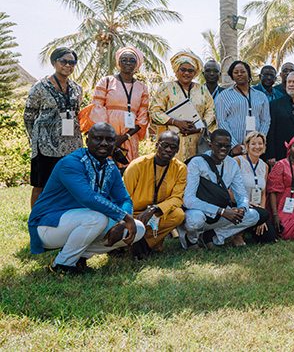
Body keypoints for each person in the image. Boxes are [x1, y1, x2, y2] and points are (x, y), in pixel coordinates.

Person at [28, 123, 144, 274]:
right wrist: (124, 217)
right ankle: (62, 265)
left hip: (83, 221)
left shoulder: (110, 166)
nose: (104, 143)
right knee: (97, 218)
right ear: (87, 141)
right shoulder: (71, 163)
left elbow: (124, 199)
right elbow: (87, 197)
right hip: (48, 225)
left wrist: (122, 222)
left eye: (109, 139)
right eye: (98, 138)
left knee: (138, 228)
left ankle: (80, 257)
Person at [24, 47, 84, 207]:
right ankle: (36, 218)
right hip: (45, 145)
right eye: (63, 61)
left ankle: (63, 215)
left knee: (70, 183)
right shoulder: (40, 86)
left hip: (71, 145)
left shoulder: (77, 89)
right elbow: (29, 116)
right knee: (40, 185)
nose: (68, 65)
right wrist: (34, 140)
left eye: (72, 62)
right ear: (54, 62)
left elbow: (76, 113)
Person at [180, 129, 259, 249]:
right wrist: (221, 211)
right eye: (219, 145)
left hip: (220, 210)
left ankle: (211, 235)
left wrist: (242, 208)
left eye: (227, 146)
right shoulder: (197, 162)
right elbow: (188, 200)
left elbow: (241, 194)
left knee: (253, 215)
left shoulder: (232, 163)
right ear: (210, 145)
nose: (223, 149)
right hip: (197, 210)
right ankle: (191, 239)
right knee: (195, 219)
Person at [81, 47, 150, 168]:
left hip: (129, 137)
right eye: (124, 59)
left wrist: (125, 137)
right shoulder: (106, 81)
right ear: (118, 62)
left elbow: (143, 116)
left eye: (132, 60)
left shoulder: (142, 87)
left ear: (137, 64)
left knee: (128, 170)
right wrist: (110, 137)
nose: (128, 62)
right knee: (103, 168)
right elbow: (97, 108)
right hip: (105, 137)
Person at [122, 131, 186, 257]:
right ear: (156, 145)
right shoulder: (138, 165)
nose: (168, 149)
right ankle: (130, 242)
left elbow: (177, 198)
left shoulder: (180, 168)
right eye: (164, 145)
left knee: (178, 215)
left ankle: (143, 244)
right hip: (133, 214)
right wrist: (129, 219)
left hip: (156, 212)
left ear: (177, 150)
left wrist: (154, 209)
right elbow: (123, 196)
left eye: (173, 147)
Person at [150, 51, 217, 162]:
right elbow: (154, 112)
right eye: (183, 69)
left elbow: (211, 111)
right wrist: (176, 122)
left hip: (197, 141)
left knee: (194, 169)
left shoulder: (202, 90)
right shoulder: (166, 88)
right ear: (177, 71)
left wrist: (199, 127)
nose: (187, 73)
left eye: (190, 71)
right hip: (171, 143)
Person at [215, 60, 271, 156]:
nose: (239, 74)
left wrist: (258, 142)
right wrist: (233, 144)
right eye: (236, 72)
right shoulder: (224, 96)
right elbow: (221, 121)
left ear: (248, 73)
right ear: (232, 76)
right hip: (233, 149)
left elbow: (265, 121)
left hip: (255, 149)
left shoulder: (261, 96)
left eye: (243, 71)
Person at [233, 131, 277, 244]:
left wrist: (262, 216)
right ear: (247, 146)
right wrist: (245, 202)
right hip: (239, 205)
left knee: (270, 238)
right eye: (253, 143)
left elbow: (263, 193)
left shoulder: (265, 166)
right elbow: (229, 188)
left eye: (260, 143)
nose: (257, 147)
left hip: (256, 207)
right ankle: (237, 234)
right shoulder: (237, 161)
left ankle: (250, 229)